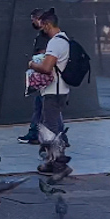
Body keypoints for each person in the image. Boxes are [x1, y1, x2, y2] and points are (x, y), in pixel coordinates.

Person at [27, 10, 71, 175]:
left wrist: (32, 65)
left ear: (47, 24)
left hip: (53, 90)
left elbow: (46, 68)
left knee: (49, 129)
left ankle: (57, 164)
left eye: (43, 25)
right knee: (54, 128)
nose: (42, 28)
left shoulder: (55, 43)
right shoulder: (65, 39)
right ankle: (56, 161)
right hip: (62, 89)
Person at [18, 9, 50, 144]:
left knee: (42, 105)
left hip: (43, 76)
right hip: (44, 75)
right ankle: (37, 133)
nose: (33, 22)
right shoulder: (45, 35)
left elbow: (42, 55)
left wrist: (34, 65)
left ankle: (35, 133)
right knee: (44, 105)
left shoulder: (44, 36)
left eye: (33, 20)